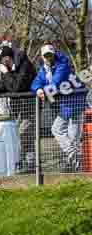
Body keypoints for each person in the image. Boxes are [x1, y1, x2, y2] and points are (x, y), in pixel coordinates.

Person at [31, 44, 83, 172]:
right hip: (65, 104)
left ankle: (74, 165)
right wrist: (38, 89)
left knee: (69, 135)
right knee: (62, 132)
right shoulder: (44, 68)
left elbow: (56, 83)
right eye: (45, 55)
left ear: (54, 54)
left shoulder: (62, 65)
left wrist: (44, 90)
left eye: (50, 55)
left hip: (75, 101)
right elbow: (36, 82)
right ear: (42, 57)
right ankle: (74, 160)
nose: (48, 58)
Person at [0, 45, 38, 173]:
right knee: (18, 135)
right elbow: (3, 87)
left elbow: (17, 87)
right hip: (18, 108)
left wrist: (6, 73)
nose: (3, 64)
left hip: (30, 106)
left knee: (25, 133)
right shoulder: (7, 71)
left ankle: (31, 163)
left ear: (9, 59)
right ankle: (23, 162)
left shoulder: (24, 65)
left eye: (4, 61)